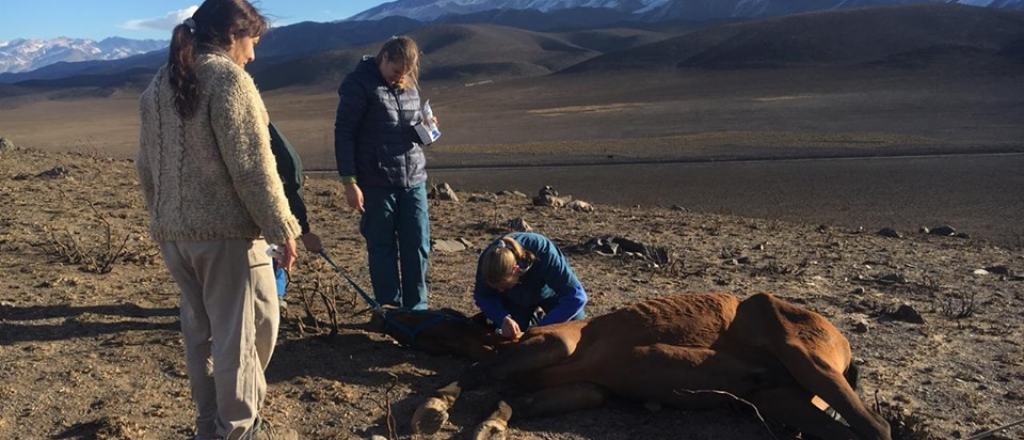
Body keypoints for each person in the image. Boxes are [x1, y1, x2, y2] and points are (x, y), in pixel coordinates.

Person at [135, 1, 300, 439]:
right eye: (252, 42)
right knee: (241, 341)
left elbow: (145, 167)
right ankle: (239, 432)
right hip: (226, 237)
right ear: (232, 34)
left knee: (203, 335)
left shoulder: (158, 84)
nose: (253, 56)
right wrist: (282, 227)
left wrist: (163, 218)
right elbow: (253, 167)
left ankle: (209, 427)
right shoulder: (228, 80)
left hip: (176, 237)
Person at [333, 36, 435, 311]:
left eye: (405, 73)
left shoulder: (408, 86)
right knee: (383, 248)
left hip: (412, 177)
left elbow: (407, 128)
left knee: (418, 245)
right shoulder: (358, 84)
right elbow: (344, 135)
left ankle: (417, 312)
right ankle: (390, 312)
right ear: (384, 57)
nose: (398, 78)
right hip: (376, 181)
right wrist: (349, 182)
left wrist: (426, 128)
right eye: (395, 71)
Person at [474, 233, 588, 340]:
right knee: (513, 335)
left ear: (516, 270)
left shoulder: (544, 252)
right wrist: (503, 318)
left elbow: (577, 297)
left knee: (575, 332)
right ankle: (529, 318)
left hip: (551, 294)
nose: (500, 290)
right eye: (496, 288)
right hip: (514, 300)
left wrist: (542, 327)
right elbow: (483, 296)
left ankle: (537, 320)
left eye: (505, 286)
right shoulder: (488, 263)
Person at [268, 121, 323, 308]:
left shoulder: (277, 150)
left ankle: (274, 295)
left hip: (272, 209)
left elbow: (291, 184)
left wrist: (303, 230)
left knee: (274, 247)